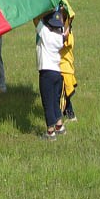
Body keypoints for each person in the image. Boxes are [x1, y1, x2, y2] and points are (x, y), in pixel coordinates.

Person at [36, 9, 66, 140]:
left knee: (47, 102)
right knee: (55, 100)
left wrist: (41, 10)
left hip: (46, 73)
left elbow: (35, 20)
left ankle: (50, 132)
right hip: (57, 73)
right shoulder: (60, 36)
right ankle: (59, 125)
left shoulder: (45, 33)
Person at [60, 10, 77, 122]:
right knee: (63, 95)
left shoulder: (68, 35)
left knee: (66, 95)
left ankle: (70, 115)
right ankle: (66, 113)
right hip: (60, 69)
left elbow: (62, 42)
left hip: (66, 70)